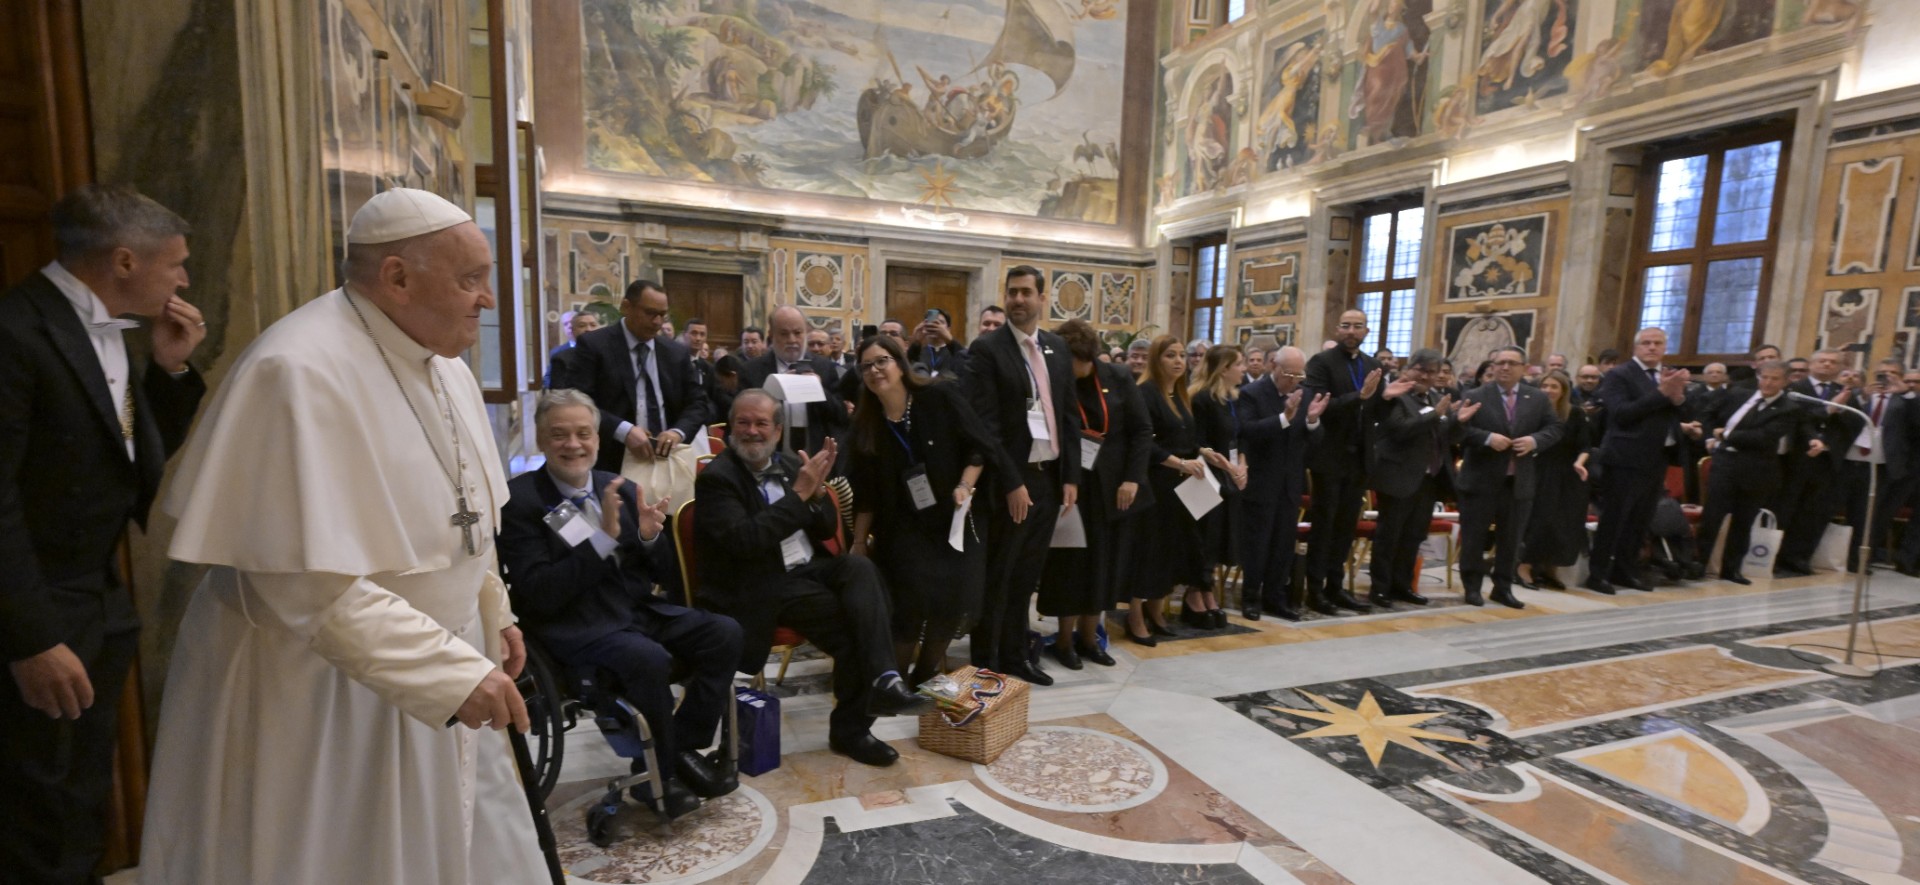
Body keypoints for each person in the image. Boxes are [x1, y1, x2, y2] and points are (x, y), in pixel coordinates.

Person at [144, 189, 545, 881]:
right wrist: (448, 670)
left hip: (437, 671)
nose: (487, 300)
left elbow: (467, 516)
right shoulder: (295, 371)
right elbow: (300, 584)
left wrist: (493, 610)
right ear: (396, 277)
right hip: (321, 692)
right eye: (469, 279)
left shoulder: (444, 361)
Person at [1, 184, 207, 884]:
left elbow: (130, 460)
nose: (182, 279)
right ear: (124, 260)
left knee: (81, 794)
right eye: (175, 264)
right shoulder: (16, 331)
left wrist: (171, 369)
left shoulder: (118, 331)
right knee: (38, 806)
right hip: (39, 611)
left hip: (99, 600)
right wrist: (30, 636)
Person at [497, 390, 741, 817]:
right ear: (540, 438)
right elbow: (539, 592)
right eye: (559, 435)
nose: (573, 444)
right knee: (646, 658)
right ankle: (658, 780)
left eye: (583, 433)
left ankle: (679, 746)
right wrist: (603, 541)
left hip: (633, 611)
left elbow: (662, 574)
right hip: (574, 625)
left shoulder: (620, 486)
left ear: (596, 437)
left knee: (724, 633)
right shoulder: (520, 502)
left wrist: (649, 537)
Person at [695, 391, 932, 766]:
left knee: (860, 567)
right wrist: (800, 494)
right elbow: (746, 542)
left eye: (761, 424)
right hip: (761, 582)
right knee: (857, 626)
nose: (752, 431)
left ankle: (884, 678)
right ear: (730, 427)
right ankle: (856, 726)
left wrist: (819, 494)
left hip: (806, 568)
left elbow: (823, 529)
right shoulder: (717, 479)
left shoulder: (790, 463)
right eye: (743, 422)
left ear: (777, 429)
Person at [846, 335, 1013, 684]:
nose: (875, 370)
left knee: (949, 605)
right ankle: (894, 684)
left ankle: (924, 680)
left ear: (899, 363)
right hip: (903, 526)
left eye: (882, 361)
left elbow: (979, 447)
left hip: (953, 518)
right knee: (909, 607)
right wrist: (860, 542)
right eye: (866, 366)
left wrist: (964, 486)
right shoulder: (867, 424)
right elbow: (867, 494)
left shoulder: (937, 397)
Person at [965, 266, 1081, 685]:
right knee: (1000, 575)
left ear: (1040, 298)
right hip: (1009, 482)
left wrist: (1070, 477)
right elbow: (987, 426)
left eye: (1025, 292)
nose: (1017, 299)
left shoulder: (1056, 348)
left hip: (1049, 478)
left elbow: (1067, 415)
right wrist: (1013, 482)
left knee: (1027, 576)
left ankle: (1017, 655)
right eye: (1011, 292)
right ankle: (986, 660)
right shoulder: (987, 349)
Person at [1038, 320, 1152, 663]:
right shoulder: (1056, 379)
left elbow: (1142, 429)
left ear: (1088, 356)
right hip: (1070, 485)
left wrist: (1132, 478)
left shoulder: (1117, 377)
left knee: (1103, 566)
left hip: (1113, 486)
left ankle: (1090, 639)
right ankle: (1063, 641)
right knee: (1069, 566)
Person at [550, 279, 711, 472]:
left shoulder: (675, 353)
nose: (657, 322)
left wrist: (677, 432)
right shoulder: (595, 346)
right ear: (626, 307)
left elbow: (698, 403)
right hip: (612, 460)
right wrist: (624, 431)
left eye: (662, 315)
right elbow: (579, 401)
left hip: (667, 461)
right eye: (650, 313)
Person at [1454, 346, 1564, 608]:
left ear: (1523, 368)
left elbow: (1556, 428)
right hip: (1481, 480)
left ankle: (1502, 587)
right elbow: (1459, 431)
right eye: (1500, 362)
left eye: (1511, 363)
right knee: (1474, 537)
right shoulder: (1475, 394)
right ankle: (1472, 587)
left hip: (1518, 481)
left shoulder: (1536, 398)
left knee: (1511, 539)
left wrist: (1535, 441)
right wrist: (1487, 438)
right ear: (1492, 366)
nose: (1505, 367)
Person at [1586, 327, 1690, 594]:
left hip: (1657, 458)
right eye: (1646, 343)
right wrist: (1662, 393)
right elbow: (1621, 413)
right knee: (1615, 518)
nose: (1652, 347)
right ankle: (1597, 574)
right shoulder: (1620, 374)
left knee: (1640, 520)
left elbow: (1676, 412)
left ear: (1665, 347)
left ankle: (1625, 570)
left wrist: (1677, 398)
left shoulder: (1666, 375)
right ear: (1636, 347)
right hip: (1625, 458)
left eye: (1658, 343)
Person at [1366, 349, 1469, 609]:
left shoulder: (1436, 397)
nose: (1425, 375)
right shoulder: (1396, 395)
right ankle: (1380, 588)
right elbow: (1400, 430)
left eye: (1431, 371)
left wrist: (1459, 422)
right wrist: (1433, 414)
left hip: (1429, 479)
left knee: (1413, 536)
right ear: (1407, 369)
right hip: (1398, 476)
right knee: (1389, 536)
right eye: (1420, 369)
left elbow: (1446, 436)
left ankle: (1403, 585)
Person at [1128, 336, 1212, 639]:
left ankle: (1156, 608)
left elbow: (1184, 437)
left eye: (1180, 355)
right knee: (1148, 552)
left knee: (1169, 552)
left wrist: (1202, 452)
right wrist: (1179, 463)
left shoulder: (1178, 394)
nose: (1178, 361)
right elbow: (1143, 443)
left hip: (1181, 485)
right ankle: (1135, 613)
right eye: (1170, 356)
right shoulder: (1145, 393)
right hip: (1155, 483)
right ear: (1155, 360)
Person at [1302, 309, 1384, 614]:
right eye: (1346, 325)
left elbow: (1376, 411)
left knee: (1346, 527)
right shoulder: (1321, 363)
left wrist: (1388, 398)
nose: (1351, 331)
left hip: (1358, 458)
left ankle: (1336, 587)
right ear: (1337, 328)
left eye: (1357, 326)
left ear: (1366, 331)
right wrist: (1359, 396)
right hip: (1328, 456)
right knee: (1324, 526)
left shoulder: (1373, 365)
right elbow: (1320, 406)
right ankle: (1315, 590)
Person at [1696, 362, 1806, 584]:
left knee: (1743, 521)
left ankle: (1732, 568)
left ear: (1785, 381)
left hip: (1756, 469)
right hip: (1725, 464)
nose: (1768, 382)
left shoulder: (1788, 408)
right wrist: (1710, 436)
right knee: (1712, 517)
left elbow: (1764, 437)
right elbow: (1708, 413)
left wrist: (1726, 435)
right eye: (1764, 377)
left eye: (1774, 379)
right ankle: (1698, 564)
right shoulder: (1738, 394)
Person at [1236, 346, 1325, 620]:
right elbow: (1247, 431)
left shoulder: (1306, 393)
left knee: (1283, 545)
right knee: (1258, 543)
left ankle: (1275, 598)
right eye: (1289, 374)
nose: (1295, 381)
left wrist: (1312, 421)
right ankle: (1251, 598)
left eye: (1300, 375)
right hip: (1261, 480)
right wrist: (1283, 418)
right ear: (1273, 365)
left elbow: (1313, 443)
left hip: (1290, 482)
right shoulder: (1251, 393)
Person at [1776, 350, 1864, 577]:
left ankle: (1799, 556)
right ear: (1811, 364)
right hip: (1798, 458)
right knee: (1787, 507)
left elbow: (1855, 422)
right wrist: (1828, 409)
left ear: (1839, 367)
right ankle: (1776, 555)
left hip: (1827, 461)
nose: (1827, 365)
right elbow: (1796, 418)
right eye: (1822, 361)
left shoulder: (1844, 391)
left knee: (1815, 512)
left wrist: (1830, 441)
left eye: (1832, 362)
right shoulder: (1797, 389)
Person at [1189, 345, 1250, 625]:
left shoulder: (1230, 400)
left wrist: (1241, 466)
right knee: (1205, 539)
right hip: (1204, 479)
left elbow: (1237, 440)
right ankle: (1196, 593)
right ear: (1224, 369)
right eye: (1239, 364)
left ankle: (1206, 590)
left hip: (1226, 478)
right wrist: (1223, 463)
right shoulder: (1201, 398)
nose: (1244, 369)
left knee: (1217, 541)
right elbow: (1196, 442)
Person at [741, 306, 850, 458]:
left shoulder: (824, 367)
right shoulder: (751, 370)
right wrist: (776, 389)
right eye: (784, 334)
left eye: (797, 333)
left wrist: (818, 390)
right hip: (769, 457)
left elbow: (840, 415)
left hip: (815, 457)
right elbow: (741, 417)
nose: (792, 340)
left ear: (805, 332)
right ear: (771, 335)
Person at [1520, 370, 1592, 591]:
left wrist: (1580, 463)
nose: (1549, 391)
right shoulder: (1532, 413)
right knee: (1540, 520)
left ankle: (1550, 568)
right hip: (1539, 471)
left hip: (1568, 472)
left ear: (1563, 391)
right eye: (1545, 386)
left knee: (1564, 524)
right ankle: (1524, 567)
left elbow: (1585, 445)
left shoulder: (1576, 414)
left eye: (1554, 387)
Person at [906, 308, 969, 380]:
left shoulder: (955, 351)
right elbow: (907, 365)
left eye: (940, 322)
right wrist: (915, 343)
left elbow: (966, 363)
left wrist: (950, 340)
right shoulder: (918, 351)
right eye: (932, 322)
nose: (935, 325)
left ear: (948, 329)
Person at [545, 309, 600, 386]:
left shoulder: (610, 353)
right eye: (565, 324)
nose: (588, 329)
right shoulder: (559, 355)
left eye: (593, 325)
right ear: (573, 330)